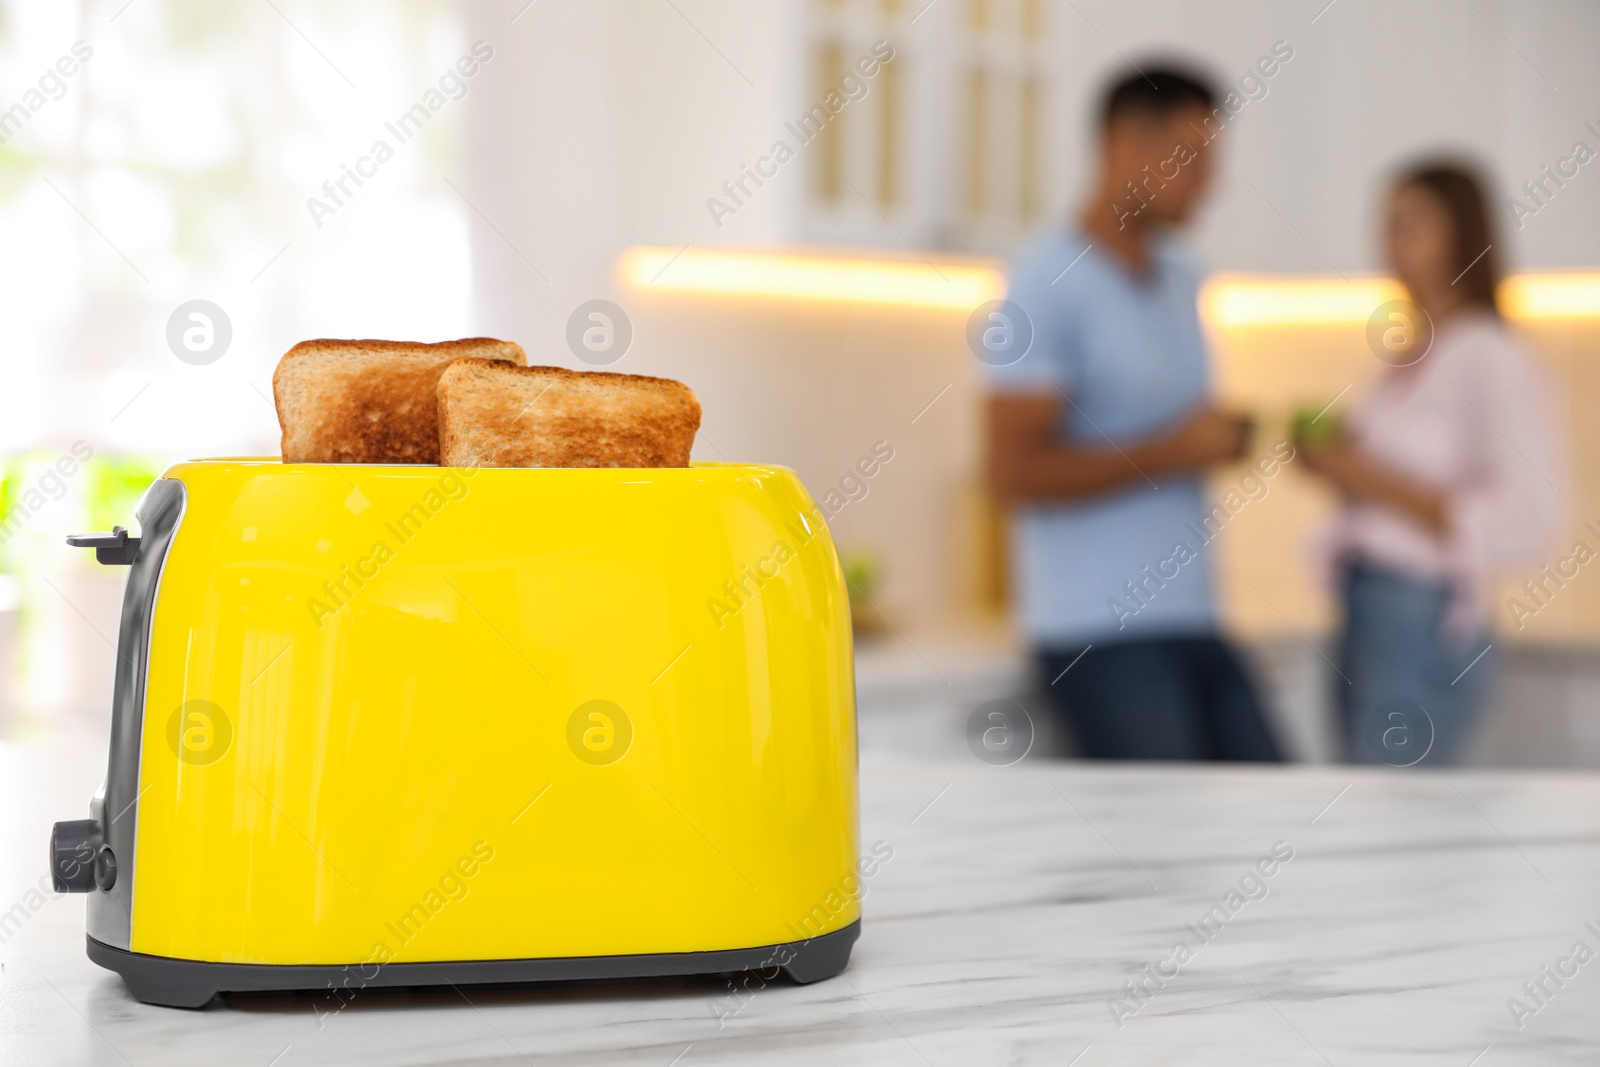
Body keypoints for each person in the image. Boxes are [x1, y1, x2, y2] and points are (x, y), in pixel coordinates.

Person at [983, 66, 1280, 761]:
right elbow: (1013, 470)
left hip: (1196, 618)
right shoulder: (1044, 282)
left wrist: (1215, 440)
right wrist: (1175, 450)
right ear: (1123, 144)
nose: (1211, 182)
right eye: (1193, 158)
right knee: (1164, 859)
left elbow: (1172, 429)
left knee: (1284, 821)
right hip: (1100, 635)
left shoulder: (1183, 279)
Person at [1300, 161, 1561, 766]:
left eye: (1411, 224)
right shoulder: (1408, 358)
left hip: (1421, 617)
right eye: (1386, 224)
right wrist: (1341, 470)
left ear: (1464, 235)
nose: (1391, 243)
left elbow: (1528, 516)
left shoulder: (1492, 358)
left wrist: (1365, 475)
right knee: (1361, 812)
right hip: (1362, 606)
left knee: (1396, 825)